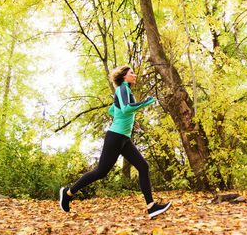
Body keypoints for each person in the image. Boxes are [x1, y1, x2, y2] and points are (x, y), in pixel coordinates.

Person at [59, 65, 171, 219]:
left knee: (143, 166)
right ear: (124, 76)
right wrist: (146, 101)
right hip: (116, 136)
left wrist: (132, 122)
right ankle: (68, 192)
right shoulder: (123, 89)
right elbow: (125, 109)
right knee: (100, 172)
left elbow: (113, 111)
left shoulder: (126, 91)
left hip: (123, 137)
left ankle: (151, 207)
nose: (135, 75)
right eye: (131, 73)